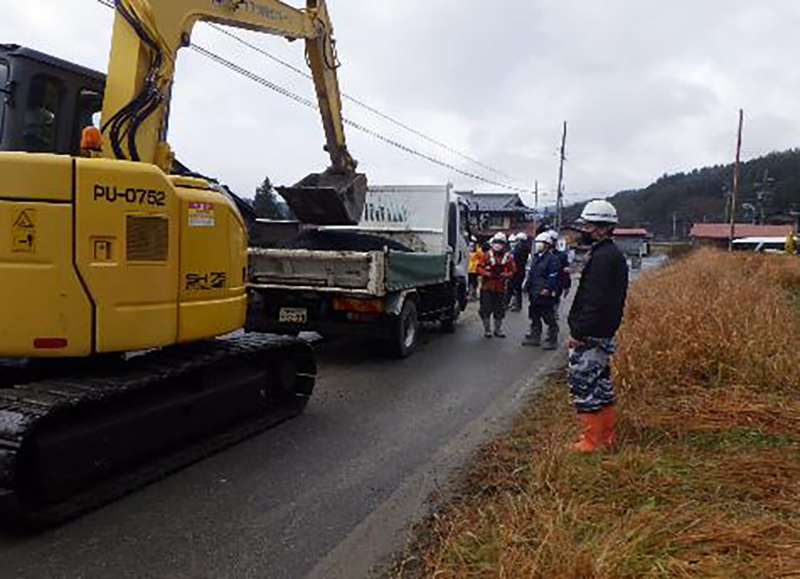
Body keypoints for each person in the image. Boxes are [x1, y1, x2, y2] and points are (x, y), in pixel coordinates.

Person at [566, 200, 629, 453]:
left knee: (586, 386)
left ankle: (591, 441)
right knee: (601, 386)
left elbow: (595, 301)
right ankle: (606, 437)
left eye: (588, 225)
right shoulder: (610, 254)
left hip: (591, 335)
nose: (584, 230)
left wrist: (579, 333)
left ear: (602, 229)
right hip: (602, 332)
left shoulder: (603, 258)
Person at [522, 232, 561, 349]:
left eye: (541, 243)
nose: (538, 245)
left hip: (545, 293)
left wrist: (548, 288)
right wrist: (526, 287)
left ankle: (552, 339)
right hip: (534, 292)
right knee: (534, 315)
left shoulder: (552, 259)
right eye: (537, 243)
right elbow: (531, 274)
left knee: (548, 317)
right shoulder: (536, 257)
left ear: (547, 245)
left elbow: (553, 275)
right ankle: (535, 337)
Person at [478, 232, 516, 338]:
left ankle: (498, 329)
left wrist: (506, 274)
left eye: (500, 243)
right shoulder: (486, 255)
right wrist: (487, 273)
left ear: (504, 244)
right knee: (485, 309)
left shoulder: (508, 257)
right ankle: (487, 330)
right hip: (487, 286)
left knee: (499, 309)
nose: (498, 245)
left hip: (500, 287)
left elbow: (513, 270)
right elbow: (479, 267)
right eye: (496, 242)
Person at [547, 229, 572, 317]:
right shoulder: (540, 255)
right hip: (543, 283)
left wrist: (567, 285)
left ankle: (553, 313)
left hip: (557, 283)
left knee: (554, 299)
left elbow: (566, 272)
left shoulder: (561, 256)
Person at [508, 233, 531, 312]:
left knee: (514, 288)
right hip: (521, 271)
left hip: (516, 271)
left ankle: (515, 305)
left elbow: (514, 257)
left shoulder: (519, 247)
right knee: (516, 289)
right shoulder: (526, 247)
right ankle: (516, 304)